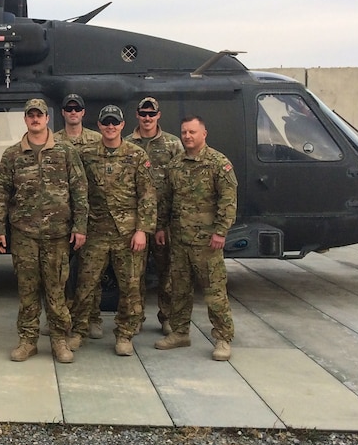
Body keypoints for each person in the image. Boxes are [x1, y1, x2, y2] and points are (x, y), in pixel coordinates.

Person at [0, 98, 87, 363]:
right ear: (25, 119)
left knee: (57, 289)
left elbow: (80, 191)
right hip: (24, 234)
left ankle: (59, 340)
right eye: (30, 115)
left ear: (47, 119)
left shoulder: (66, 152)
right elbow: (1, 194)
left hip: (58, 234)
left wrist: (80, 227)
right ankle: (27, 340)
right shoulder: (12, 155)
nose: (35, 119)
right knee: (27, 289)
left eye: (40, 115)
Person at [70, 105, 156, 356]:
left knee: (130, 287)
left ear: (122, 125)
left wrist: (142, 230)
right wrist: (79, 227)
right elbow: (78, 192)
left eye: (114, 123)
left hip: (127, 233)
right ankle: (78, 331)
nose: (110, 127)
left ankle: (125, 335)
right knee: (85, 285)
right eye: (105, 122)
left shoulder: (137, 155)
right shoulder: (85, 154)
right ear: (99, 126)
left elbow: (148, 196)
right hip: (95, 231)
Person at [154, 115, 238, 361]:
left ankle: (223, 338)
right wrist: (160, 227)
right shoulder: (175, 165)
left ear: (204, 133)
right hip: (179, 240)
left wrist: (221, 231)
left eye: (192, 132)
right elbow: (167, 201)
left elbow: (228, 201)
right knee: (179, 289)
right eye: (184, 132)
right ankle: (180, 333)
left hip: (207, 243)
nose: (187, 136)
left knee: (215, 292)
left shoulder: (218, 164)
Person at [126, 96, 184, 334]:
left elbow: (178, 185)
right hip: (135, 222)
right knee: (134, 274)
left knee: (166, 272)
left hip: (163, 222)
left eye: (151, 114)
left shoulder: (173, 145)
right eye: (143, 114)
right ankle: (135, 318)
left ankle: (167, 317)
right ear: (137, 115)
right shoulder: (127, 144)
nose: (147, 118)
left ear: (158, 115)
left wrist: (166, 224)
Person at [53, 93, 105, 337]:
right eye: (68, 108)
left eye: (77, 108)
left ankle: (92, 318)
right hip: (61, 215)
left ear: (83, 112)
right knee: (59, 272)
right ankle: (58, 317)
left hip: (92, 216)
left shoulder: (97, 140)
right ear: (62, 112)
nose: (73, 112)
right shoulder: (52, 141)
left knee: (90, 272)